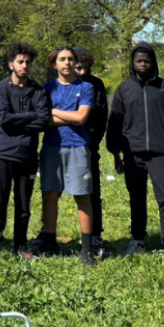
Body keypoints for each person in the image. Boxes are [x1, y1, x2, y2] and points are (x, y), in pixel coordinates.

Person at [106, 42, 164, 264]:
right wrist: (116, 154)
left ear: (153, 62)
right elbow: (114, 124)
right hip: (132, 154)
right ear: (133, 63)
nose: (143, 64)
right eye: (139, 61)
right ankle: (138, 240)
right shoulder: (124, 89)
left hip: (161, 153)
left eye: (147, 60)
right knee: (136, 197)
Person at [0, 43, 50, 259]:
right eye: (20, 62)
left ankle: (20, 246)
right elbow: (3, 118)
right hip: (1, 155)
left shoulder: (39, 91)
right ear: (11, 64)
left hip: (28, 156)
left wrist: (16, 121)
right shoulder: (0, 89)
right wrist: (31, 116)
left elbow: (43, 121)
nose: (24, 65)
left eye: (28, 62)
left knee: (23, 206)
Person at [40, 47, 96, 266]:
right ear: (54, 64)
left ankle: (87, 250)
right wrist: (70, 116)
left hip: (78, 147)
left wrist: (53, 111)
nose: (67, 63)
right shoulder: (47, 88)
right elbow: (42, 119)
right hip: (51, 147)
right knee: (49, 195)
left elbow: (82, 118)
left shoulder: (86, 87)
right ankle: (50, 242)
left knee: (82, 196)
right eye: (62, 59)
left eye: (70, 59)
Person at [74, 48, 110, 258]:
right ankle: (47, 234)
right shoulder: (60, 84)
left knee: (92, 192)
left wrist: (92, 143)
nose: (82, 72)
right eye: (78, 68)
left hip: (88, 147)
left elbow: (102, 117)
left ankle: (95, 236)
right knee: (52, 192)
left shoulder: (96, 84)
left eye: (86, 68)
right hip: (62, 146)